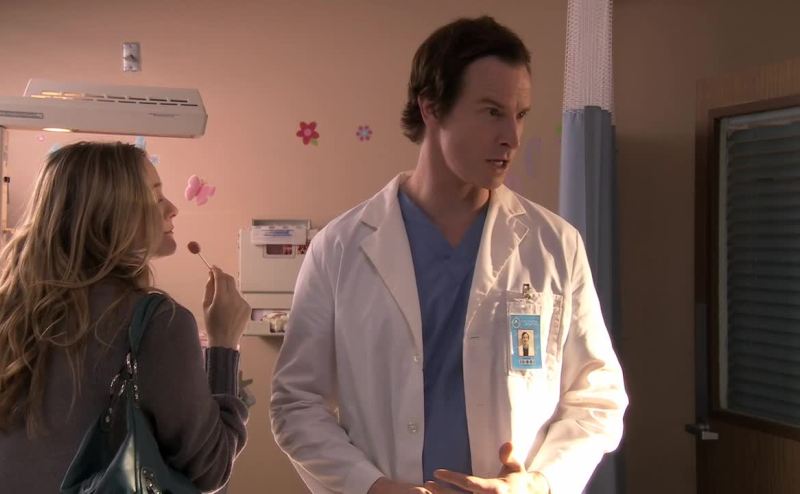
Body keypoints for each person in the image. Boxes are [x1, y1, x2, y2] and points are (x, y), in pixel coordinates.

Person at [270, 16, 628, 494]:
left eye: (520, 114)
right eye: (492, 112)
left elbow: (596, 397)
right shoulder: (339, 248)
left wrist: (540, 484)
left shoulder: (556, 246)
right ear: (432, 107)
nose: (512, 136)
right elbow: (297, 403)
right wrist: (371, 487)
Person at [0, 141, 251, 492]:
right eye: (156, 197)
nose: (173, 209)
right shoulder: (157, 323)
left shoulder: (10, 310)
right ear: (110, 213)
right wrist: (224, 344)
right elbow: (210, 470)